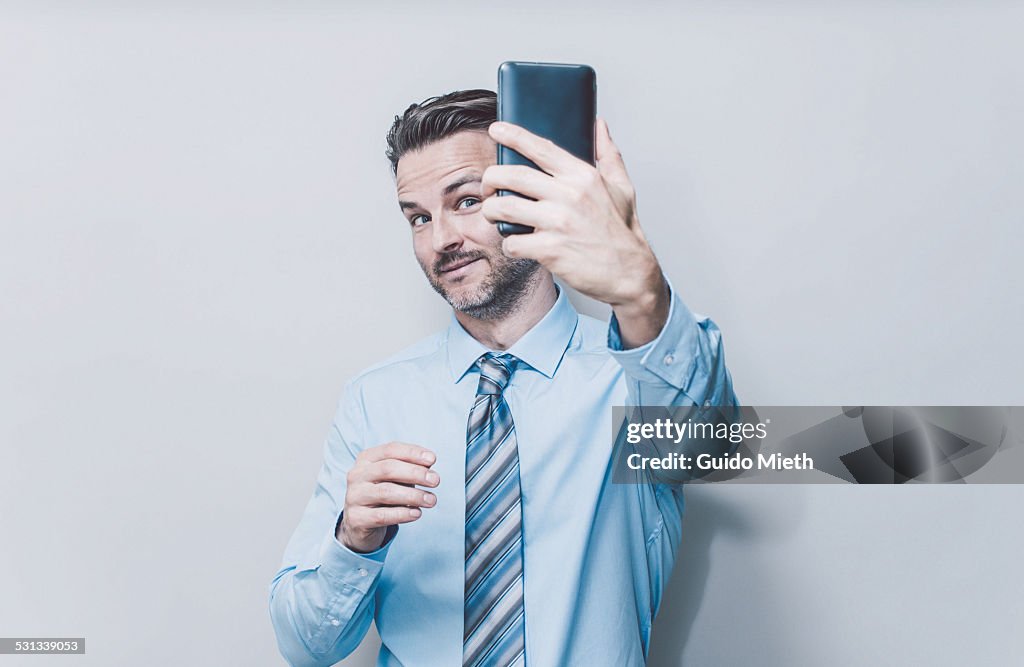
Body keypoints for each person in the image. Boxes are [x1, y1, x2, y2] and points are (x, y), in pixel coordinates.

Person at [269, 89, 738, 667]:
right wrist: (353, 542)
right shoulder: (376, 399)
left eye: (465, 201)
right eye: (419, 217)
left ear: (530, 200)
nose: (440, 240)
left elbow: (716, 450)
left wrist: (642, 295)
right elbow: (303, 645)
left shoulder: (628, 375)